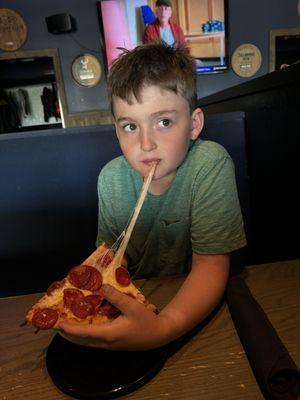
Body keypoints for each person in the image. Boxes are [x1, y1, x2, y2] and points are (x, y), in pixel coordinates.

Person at [59, 42, 246, 350]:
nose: (146, 144)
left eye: (164, 122)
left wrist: (162, 329)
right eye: (130, 126)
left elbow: (211, 267)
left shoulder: (209, 164)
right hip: (143, 300)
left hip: (200, 312)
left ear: (194, 124)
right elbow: (114, 259)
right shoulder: (111, 178)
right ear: (117, 132)